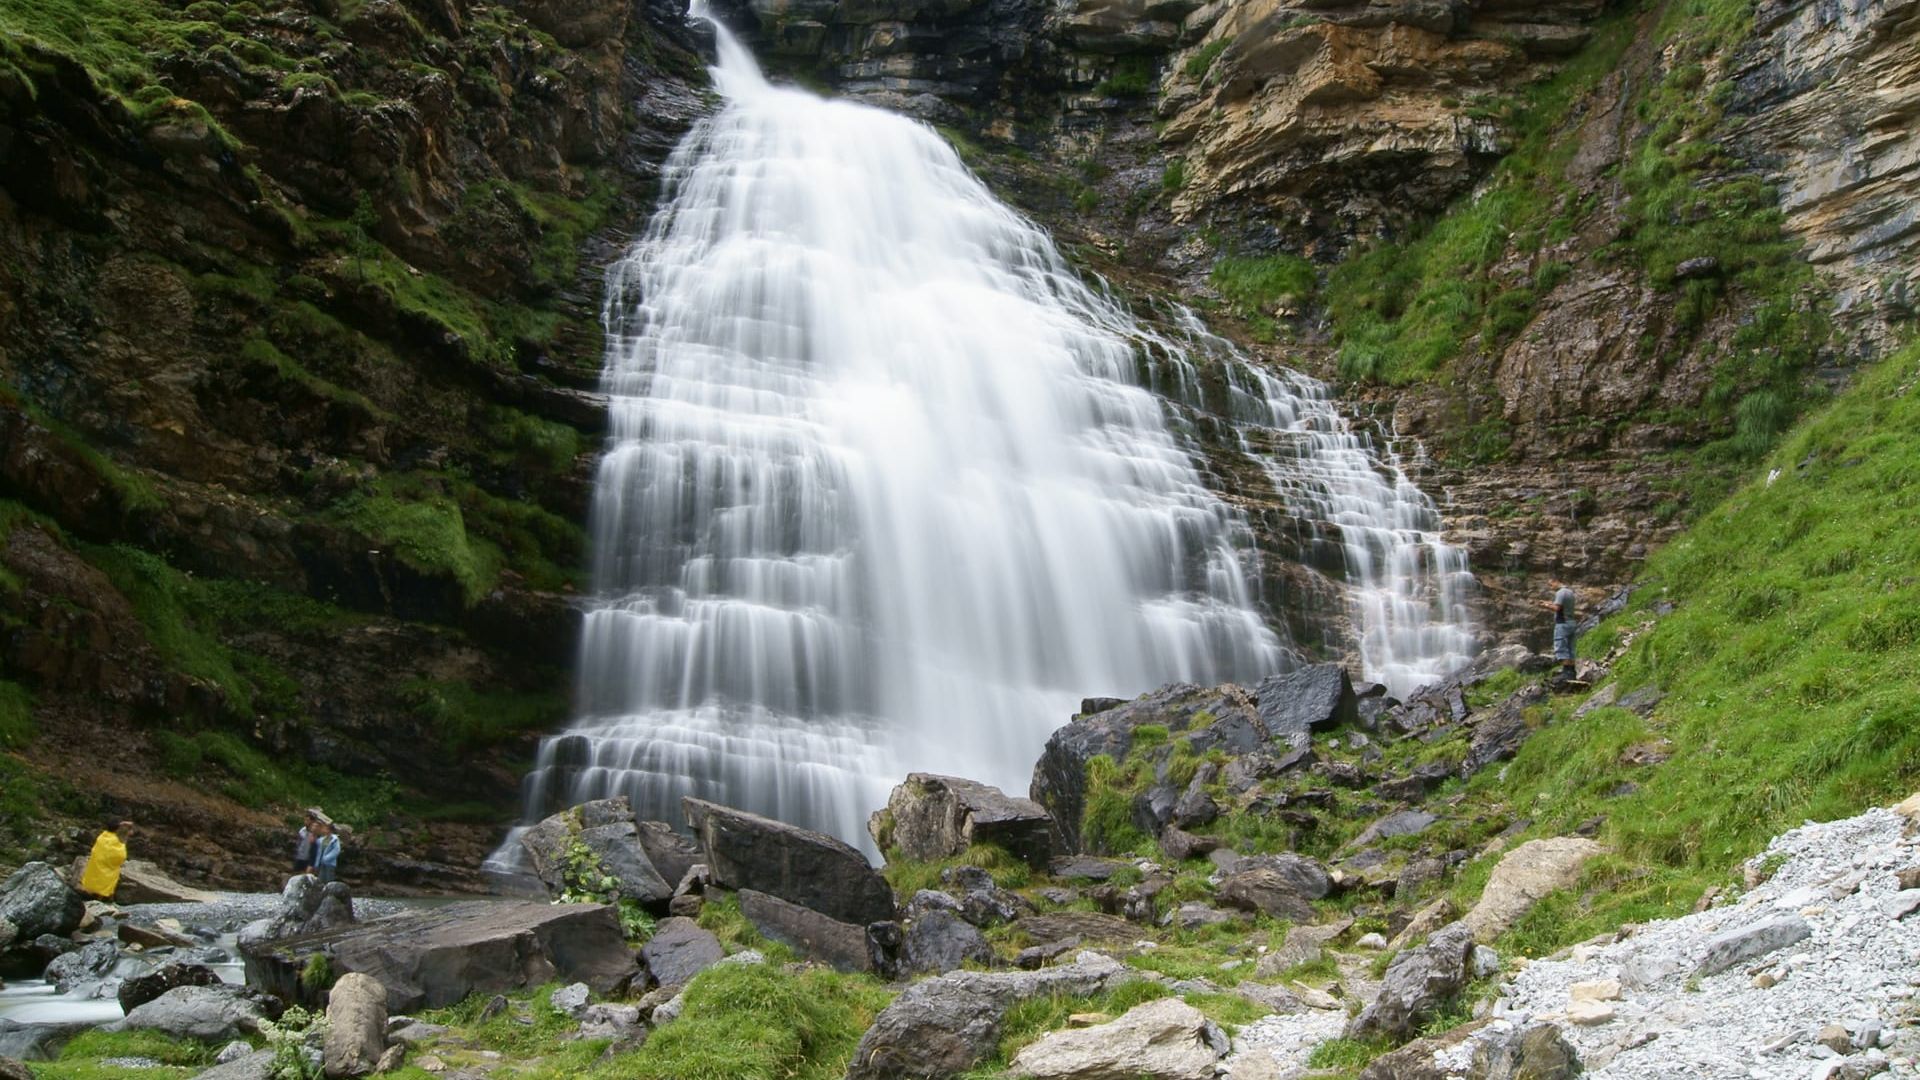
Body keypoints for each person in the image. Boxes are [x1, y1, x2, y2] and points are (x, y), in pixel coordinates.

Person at [79, 820, 133, 900]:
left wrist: (120, 824)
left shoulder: (102, 836)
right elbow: (121, 856)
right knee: (105, 881)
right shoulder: (115, 841)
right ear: (117, 829)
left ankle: (89, 895)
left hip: (95, 867)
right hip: (106, 871)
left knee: (93, 878)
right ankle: (100, 899)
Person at [1542, 576, 1579, 681]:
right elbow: (1562, 605)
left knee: (1561, 646)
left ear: (1556, 581)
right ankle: (1572, 671)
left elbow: (1557, 608)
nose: (1550, 587)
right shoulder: (1569, 592)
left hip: (1562, 624)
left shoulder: (1560, 593)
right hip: (1571, 623)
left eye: (1551, 584)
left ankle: (1566, 672)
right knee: (1570, 648)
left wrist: (1545, 606)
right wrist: (1549, 603)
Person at [308, 817, 342, 884]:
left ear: (329, 830)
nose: (324, 830)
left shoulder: (334, 839)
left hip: (329, 863)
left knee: (329, 879)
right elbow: (317, 849)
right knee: (320, 879)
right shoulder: (322, 839)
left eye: (325, 829)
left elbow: (336, 850)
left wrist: (326, 858)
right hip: (321, 863)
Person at [292, 808, 323, 874]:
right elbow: (299, 842)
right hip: (299, 856)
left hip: (308, 859)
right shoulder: (302, 830)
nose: (305, 822)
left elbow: (316, 849)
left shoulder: (315, 834)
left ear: (311, 821)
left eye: (307, 820)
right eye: (305, 820)